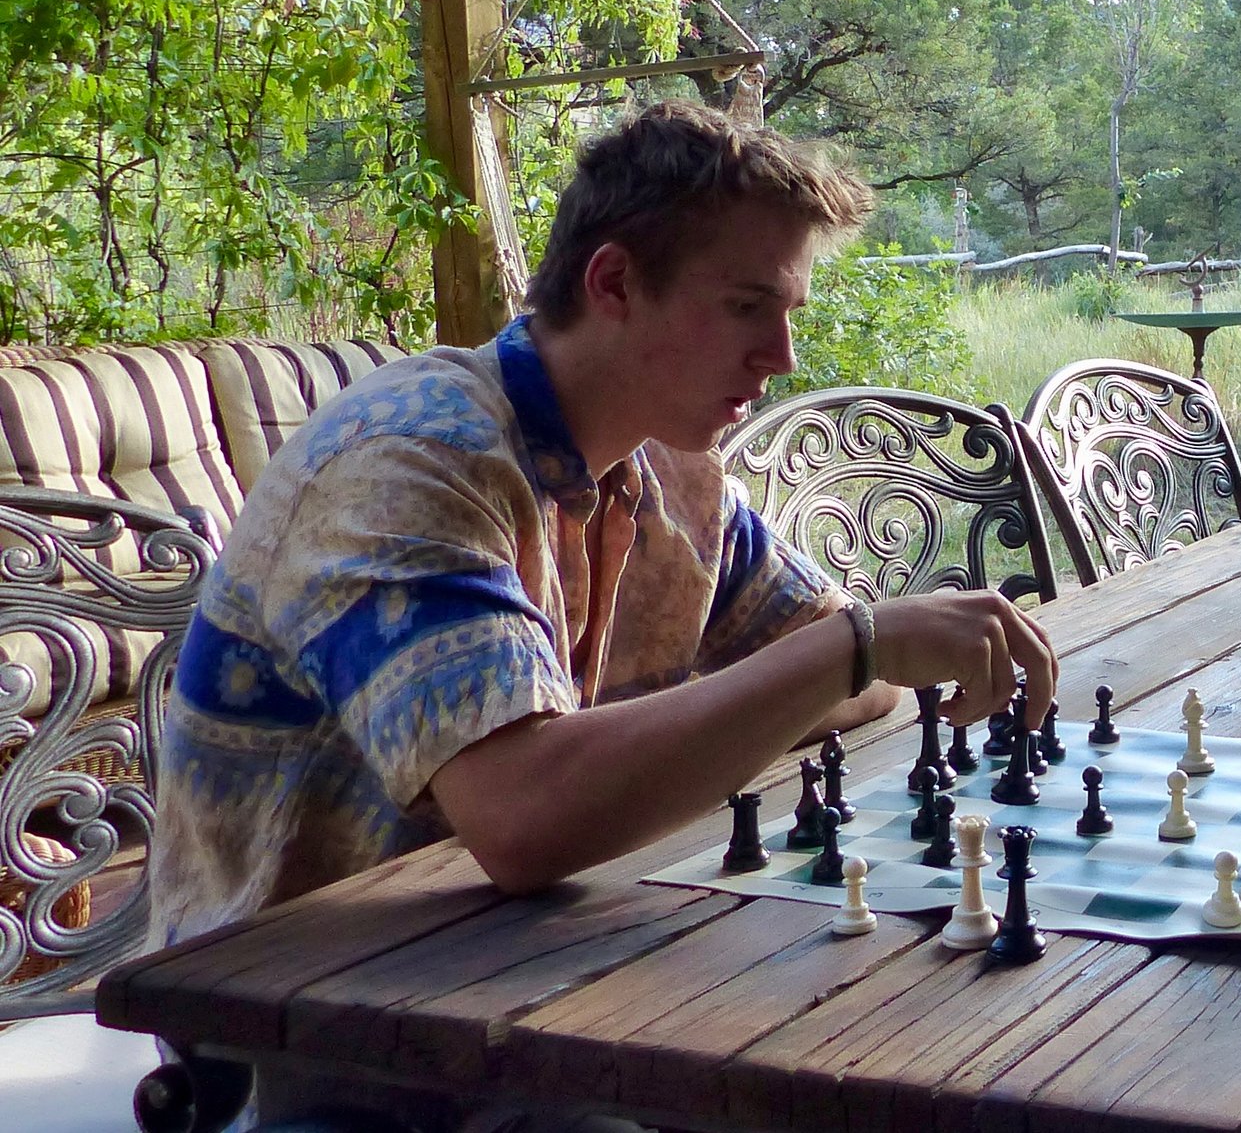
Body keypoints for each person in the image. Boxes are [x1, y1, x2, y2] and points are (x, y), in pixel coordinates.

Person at [150, 101, 1055, 1129]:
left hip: (524, 963)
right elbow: (528, 820)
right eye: (749, 305)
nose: (784, 353)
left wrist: (852, 656)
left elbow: (848, 674)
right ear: (615, 282)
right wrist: (856, 648)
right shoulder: (409, 459)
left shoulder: (667, 468)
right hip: (297, 1028)